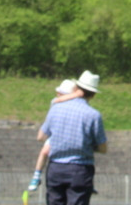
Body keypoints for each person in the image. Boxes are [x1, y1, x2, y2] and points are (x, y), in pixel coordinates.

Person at [37, 70, 107, 205]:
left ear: (76, 88)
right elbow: (103, 148)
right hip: (80, 169)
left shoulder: (56, 108)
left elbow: (41, 136)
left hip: (56, 168)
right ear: (93, 95)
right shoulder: (93, 115)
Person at [27, 79, 81, 191]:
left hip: (70, 132)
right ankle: (37, 175)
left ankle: (86, 181)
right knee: (44, 151)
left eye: (61, 93)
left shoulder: (77, 105)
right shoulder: (55, 102)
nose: (58, 95)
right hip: (56, 132)